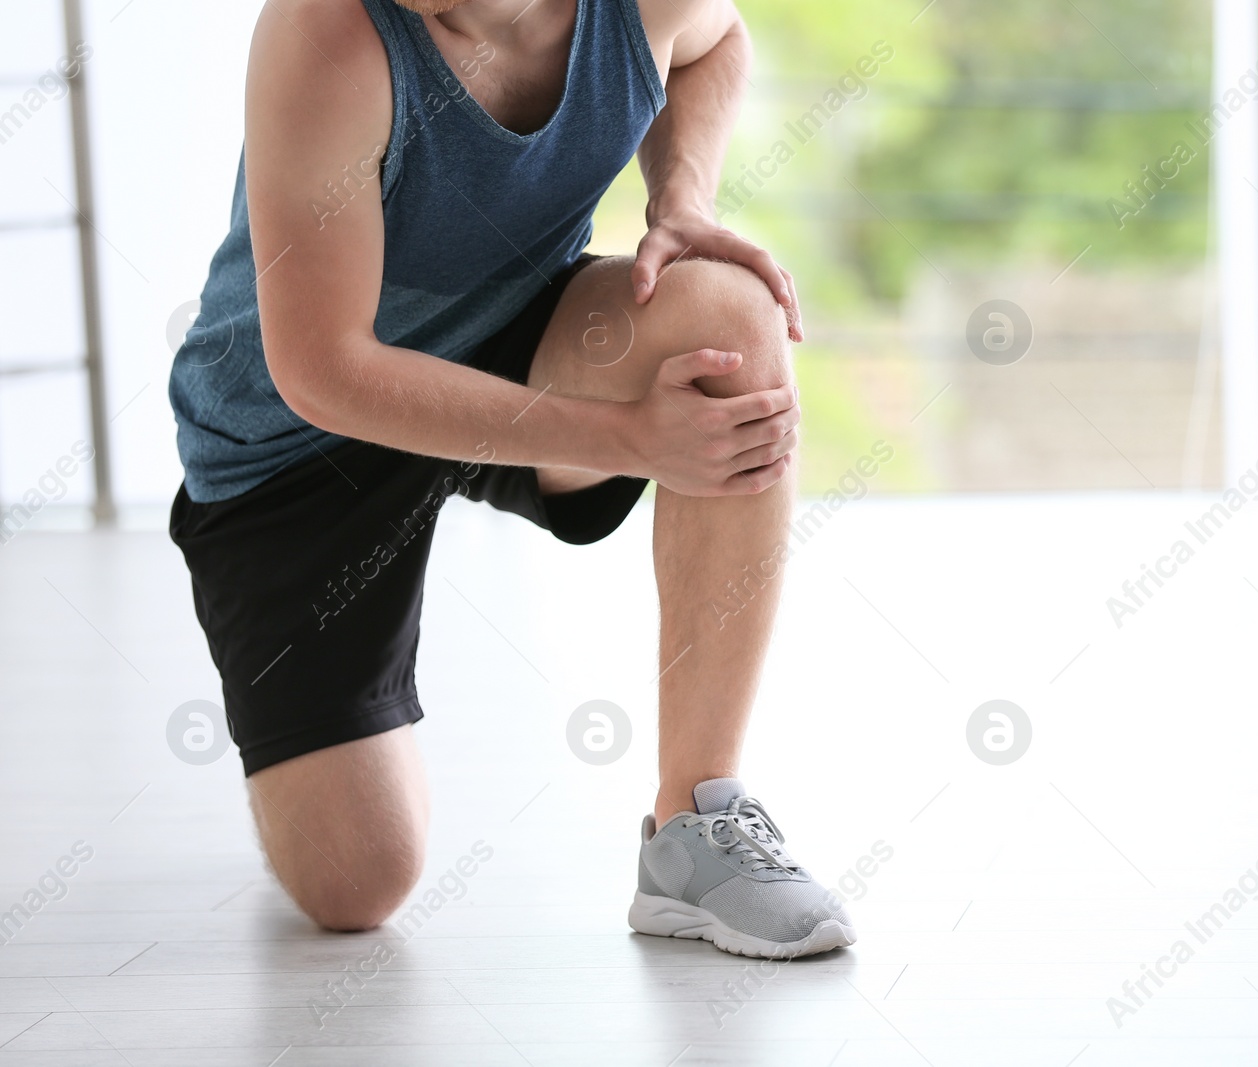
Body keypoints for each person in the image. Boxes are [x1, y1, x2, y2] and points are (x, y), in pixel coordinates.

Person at [167, 0, 854, 958]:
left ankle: (696, 823)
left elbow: (718, 39)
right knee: (359, 883)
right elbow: (323, 369)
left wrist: (681, 200)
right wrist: (628, 437)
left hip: (507, 339)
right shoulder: (327, 34)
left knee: (729, 323)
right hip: (293, 446)